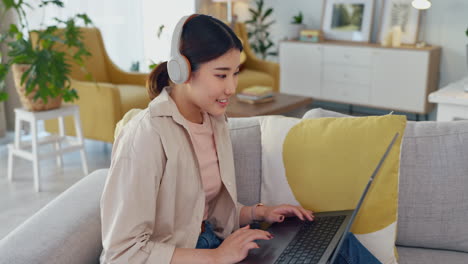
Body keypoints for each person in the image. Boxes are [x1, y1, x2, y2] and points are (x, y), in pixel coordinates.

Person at [100, 14, 380, 264]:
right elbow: (122, 253)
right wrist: (216, 257)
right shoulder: (146, 136)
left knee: (336, 242)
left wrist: (260, 213)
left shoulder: (213, 120)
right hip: (186, 255)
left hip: (212, 242)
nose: (231, 87)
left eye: (235, 74)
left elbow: (201, 211)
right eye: (221, 75)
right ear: (182, 70)